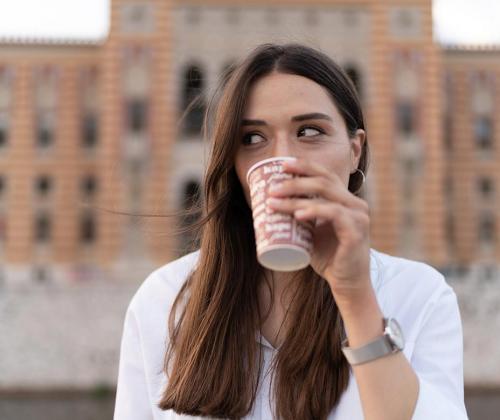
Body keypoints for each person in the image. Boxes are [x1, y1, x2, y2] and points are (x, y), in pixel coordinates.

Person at [114, 43, 468, 420]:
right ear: (231, 164)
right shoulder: (164, 301)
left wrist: (356, 297)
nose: (283, 160)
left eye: (310, 131)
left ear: (354, 150)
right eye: (252, 138)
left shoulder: (418, 296)